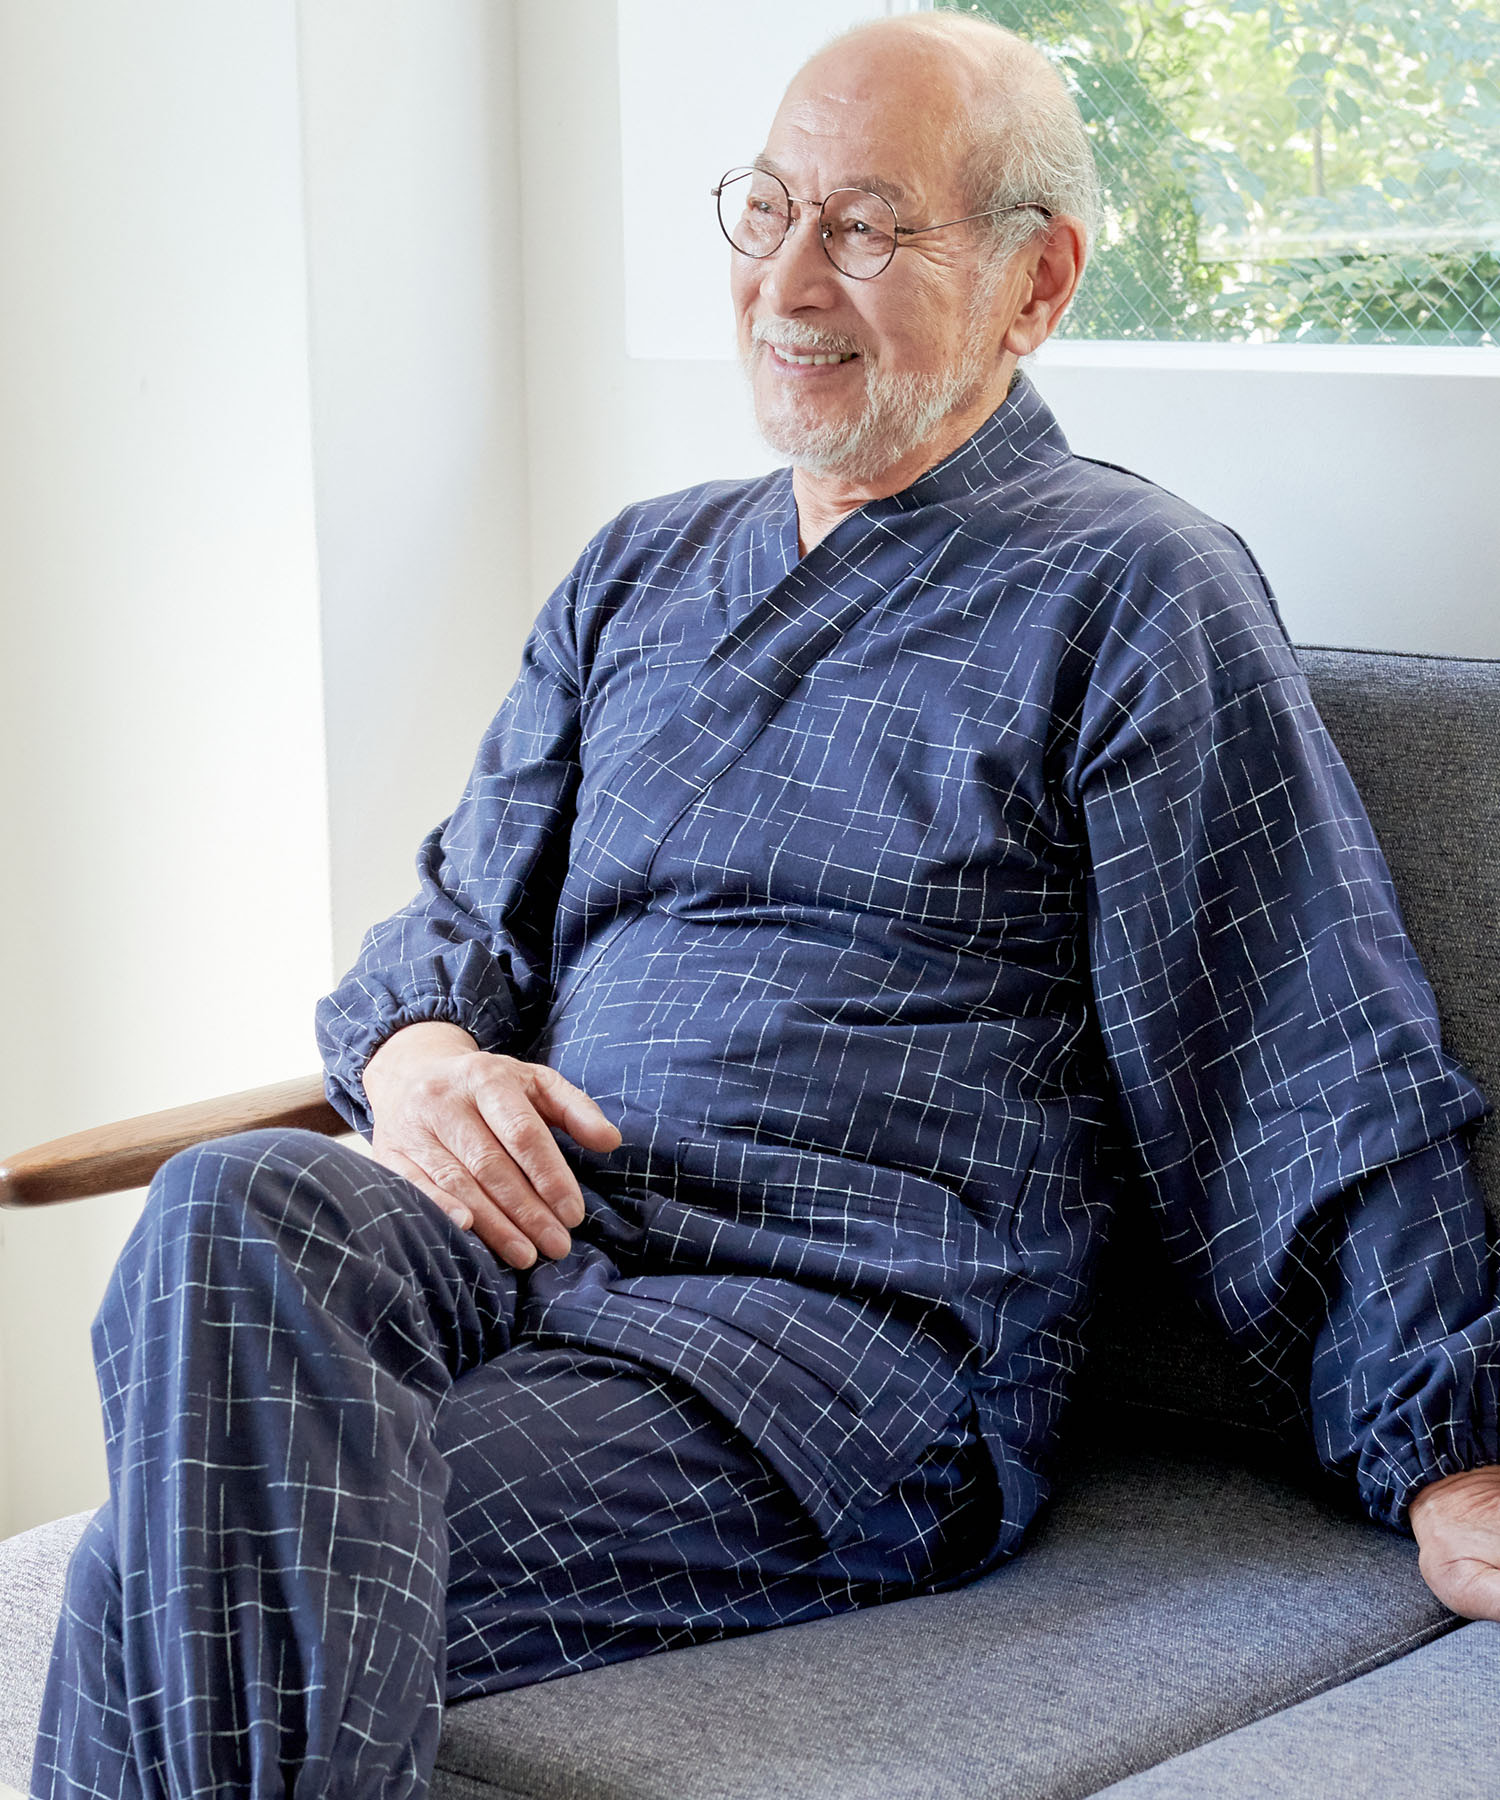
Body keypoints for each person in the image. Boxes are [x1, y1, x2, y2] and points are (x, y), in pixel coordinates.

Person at [32, 13, 1500, 1800]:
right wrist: (417, 1057)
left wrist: (1448, 1447)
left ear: (1037, 284)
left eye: (867, 229)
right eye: (768, 212)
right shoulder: (638, 569)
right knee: (232, 1202)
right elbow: (452, 924)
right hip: (536, 1249)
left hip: (831, 1353)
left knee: (158, 1569)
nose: (790, 284)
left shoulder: (1134, 594)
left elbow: (1289, 1045)